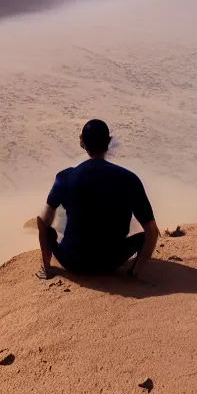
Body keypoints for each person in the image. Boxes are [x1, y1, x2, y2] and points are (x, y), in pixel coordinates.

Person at [36, 119, 159, 280]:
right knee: (145, 236)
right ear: (108, 143)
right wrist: (135, 271)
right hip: (110, 264)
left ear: (82, 143)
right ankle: (134, 271)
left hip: (72, 262)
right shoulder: (129, 180)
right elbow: (152, 230)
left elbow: (43, 221)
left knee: (48, 227)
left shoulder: (65, 177)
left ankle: (47, 266)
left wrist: (47, 261)